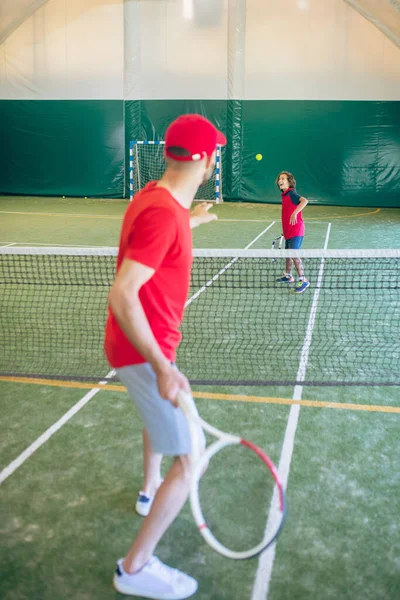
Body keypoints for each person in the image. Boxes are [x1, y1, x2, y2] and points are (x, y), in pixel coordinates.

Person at [104, 113, 226, 599]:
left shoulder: (156, 198)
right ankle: (134, 568)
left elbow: (160, 232)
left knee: (164, 426)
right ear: (206, 158)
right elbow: (123, 293)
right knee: (192, 458)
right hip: (142, 351)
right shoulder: (160, 213)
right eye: (214, 150)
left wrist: (188, 222)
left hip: (140, 346)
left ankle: (149, 487)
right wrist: (162, 367)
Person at [275, 171, 310, 293]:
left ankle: (303, 279)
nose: (280, 180)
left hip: (296, 229)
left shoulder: (291, 193)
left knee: (294, 255)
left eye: (283, 178)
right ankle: (288, 276)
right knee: (288, 255)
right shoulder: (284, 195)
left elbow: (304, 201)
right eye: (279, 178)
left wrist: (295, 212)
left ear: (289, 182)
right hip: (288, 231)